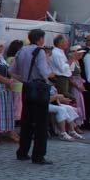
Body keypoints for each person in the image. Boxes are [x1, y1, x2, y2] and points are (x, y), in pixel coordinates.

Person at [10, 29, 52, 164]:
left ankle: (22, 152)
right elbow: (43, 71)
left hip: (27, 87)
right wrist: (50, 78)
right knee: (41, 123)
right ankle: (38, 155)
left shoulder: (21, 51)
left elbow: (12, 70)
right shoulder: (39, 52)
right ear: (40, 39)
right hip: (39, 87)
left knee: (26, 121)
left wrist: (24, 79)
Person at [49, 35, 71, 99]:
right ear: (60, 43)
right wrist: (71, 60)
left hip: (63, 78)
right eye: (66, 41)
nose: (67, 43)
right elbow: (62, 69)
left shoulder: (60, 52)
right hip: (60, 79)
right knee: (64, 97)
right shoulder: (56, 53)